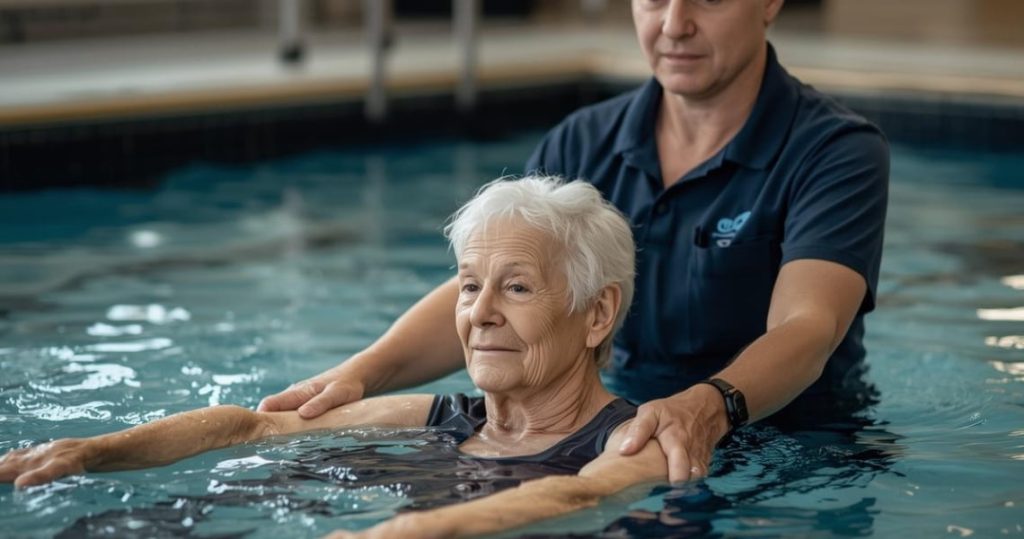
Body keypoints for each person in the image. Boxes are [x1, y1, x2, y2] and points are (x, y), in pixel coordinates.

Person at [260, 0, 889, 484]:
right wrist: (357, 375)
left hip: (792, 448)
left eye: (708, 0)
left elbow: (808, 327)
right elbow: (492, 289)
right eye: (653, 0)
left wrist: (709, 408)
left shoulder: (834, 152)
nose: (674, 24)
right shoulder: (583, 142)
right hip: (606, 429)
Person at [1, 177, 672, 538]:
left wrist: (409, 533)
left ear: (598, 314)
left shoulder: (634, 441)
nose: (480, 311)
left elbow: (577, 493)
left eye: (516, 287)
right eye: (469, 285)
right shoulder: (438, 417)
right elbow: (252, 427)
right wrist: (92, 452)